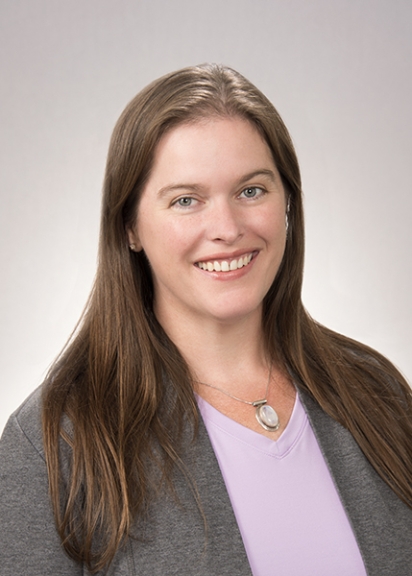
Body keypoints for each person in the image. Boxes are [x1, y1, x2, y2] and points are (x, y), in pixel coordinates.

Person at [0, 64, 411, 576]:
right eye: (186, 200)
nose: (227, 228)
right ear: (130, 226)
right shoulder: (55, 441)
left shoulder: (378, 393)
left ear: (288, 202)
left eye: (252, 190)